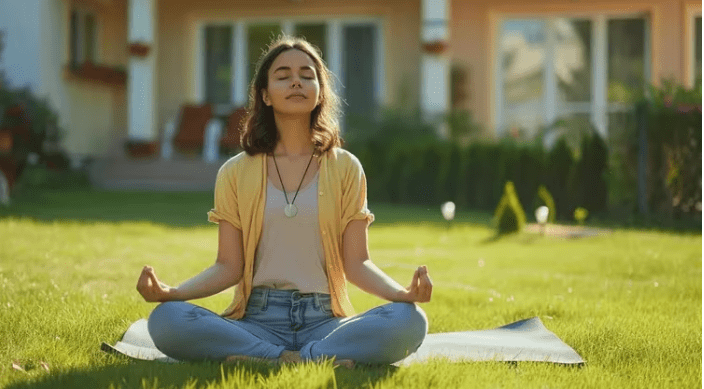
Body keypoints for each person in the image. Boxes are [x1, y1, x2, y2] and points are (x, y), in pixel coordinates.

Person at [136, 34, 433, 368]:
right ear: (265, 94)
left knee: (410, 320)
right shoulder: (235, 172)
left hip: (325, 322)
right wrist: (173, 293)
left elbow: (357, 263)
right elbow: (228, 267)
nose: (296, 81)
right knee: (167, 319)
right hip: (257, 320)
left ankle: (271, 359)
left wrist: (402, 295)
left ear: (320, 91)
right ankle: (305, 359)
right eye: (283, 75)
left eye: (307, 75)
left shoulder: (346, 167)